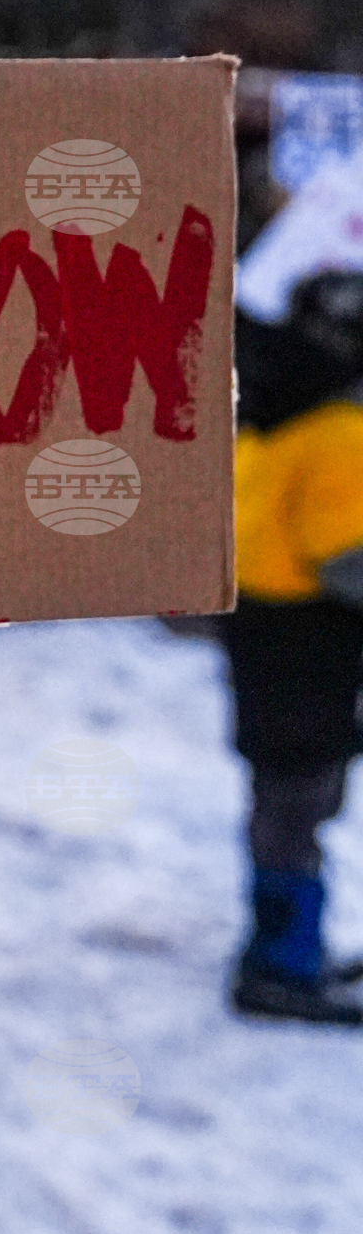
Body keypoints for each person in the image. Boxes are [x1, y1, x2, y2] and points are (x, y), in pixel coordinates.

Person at [226, 263, 363, 1023]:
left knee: (280, 800)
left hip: (262, 631)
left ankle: (282, 949)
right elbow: (346, 558)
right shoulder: (340, 428)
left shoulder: (268, 395)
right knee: (300, 804)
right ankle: (281, 964)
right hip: (311, 644)